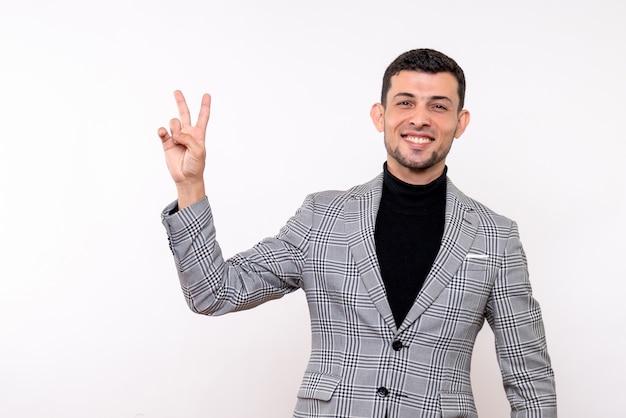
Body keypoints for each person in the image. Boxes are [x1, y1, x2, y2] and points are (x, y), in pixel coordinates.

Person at [158, 48, 557, 418]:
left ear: (460, 122)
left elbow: (530, 382)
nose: (420, 118)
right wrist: (190, 186)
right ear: (379, 115)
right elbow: (214, 292)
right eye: (405, 103)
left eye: (439, 106)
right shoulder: (322, 216)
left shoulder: (495, 237)